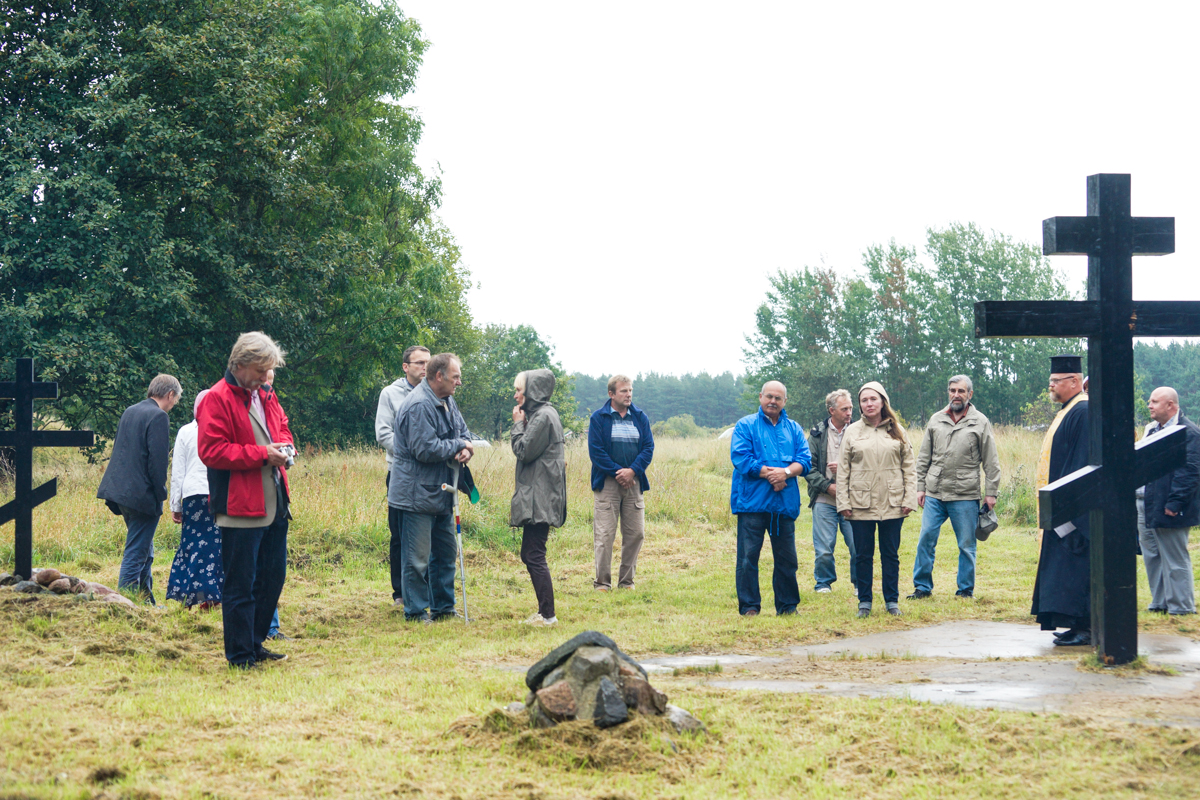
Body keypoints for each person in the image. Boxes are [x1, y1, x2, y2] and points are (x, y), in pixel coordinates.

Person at [197, 332, 294, 668]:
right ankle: (239, 655)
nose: (266, 378)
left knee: (273, 578)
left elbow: (282, 427)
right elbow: (211, 451)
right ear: (239, 365)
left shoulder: (267, 393)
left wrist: (285, 447)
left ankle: (254, 643)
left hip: (275, 500)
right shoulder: (216, 398)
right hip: (240, 506)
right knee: (241, 585)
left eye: (269, 371)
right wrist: (262, 455)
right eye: (260, 371)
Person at [388, 352, 473, 623]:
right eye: (456, 376)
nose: (459, 382)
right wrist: (458, 446)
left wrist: (466, 448)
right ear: (439, 376)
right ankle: (415, 612)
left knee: (446, 553)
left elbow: (464, 434)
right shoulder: (418, 405)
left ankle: (444, 609)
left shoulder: (448, 400)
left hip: (442, 489)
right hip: (415, 493)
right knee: (416, 558)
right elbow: (424, 449)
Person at [909, 375, 1001, 600]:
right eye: (952, 390)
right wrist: (920, 487)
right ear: (948, 393)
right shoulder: (936, 419)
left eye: (961, 391)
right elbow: (923, 457)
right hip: (935, 492)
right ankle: (922, 587)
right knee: (926, 539)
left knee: (966, 545)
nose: (956, 395)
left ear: (970, 394)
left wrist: (991, 493)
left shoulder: (980, 421)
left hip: (965, 494)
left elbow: (991, 461)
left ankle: (965, 590)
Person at [97, 373, 182, 605]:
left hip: (120, 492)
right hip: (142, 495)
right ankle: (124, 601)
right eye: (176, 400)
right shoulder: (158, 416)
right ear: (170, 394)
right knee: (137, 550)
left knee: (145, 548)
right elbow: (158, 462)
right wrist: (161, 493)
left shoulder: (130, 411)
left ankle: (146, 601)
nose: (174, 405)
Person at [729, 381, 811, 616]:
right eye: (769, 397)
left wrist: (785, 473)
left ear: (785, 401)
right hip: (752, 504)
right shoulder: (745, 425)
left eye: (778, 398)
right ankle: (750, 607)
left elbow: (805, 461)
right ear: (760, 397)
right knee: (747, 559)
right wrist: (774, 474)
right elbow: (742, 459)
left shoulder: (794, 428)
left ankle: (787, 607)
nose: (772, 401)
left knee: (787, 559)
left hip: (783, 504)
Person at [837, 381, 916, 618]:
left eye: (873, 399)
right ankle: (865, 602)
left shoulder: (898, 430)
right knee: (862, 555)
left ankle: (892, 601)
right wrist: (843, 502)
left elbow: (909, 468)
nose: (869, 404)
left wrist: (909, 498)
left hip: (893, 504)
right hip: (860, 505)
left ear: (883, 401)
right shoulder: (852, 432)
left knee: (890, 555)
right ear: (860, 404)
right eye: (864, 400)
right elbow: (843, 470)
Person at [1030, 355, 1091, 646]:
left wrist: (1066, 510)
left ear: (1075, 382)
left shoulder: (1083, 411)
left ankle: (1085, 625)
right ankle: (1072, 623)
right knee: (1063, 569)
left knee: (1076, 569)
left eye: (1056, 382)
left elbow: (1078, 464)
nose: (1051, 387)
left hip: (1073, 510)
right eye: (1051, 381)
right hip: (1060, 507)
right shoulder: (1068, 410)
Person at [375, 345, 431, 608]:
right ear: (405, 367)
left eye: (428, 363)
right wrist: (414, 454)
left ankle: (426, 589)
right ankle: (399, 593)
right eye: (419, 363)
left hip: (430, 474)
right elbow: (383, 434)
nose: (425, 367)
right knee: (399, 534)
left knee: (427, 534)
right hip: (399, 472)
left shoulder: (435, 391)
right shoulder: (390, 394)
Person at [511, 369, 568, 626]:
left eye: (519, 390)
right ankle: (545, 612)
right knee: (530, 553)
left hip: (540, 498)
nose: (515, 396)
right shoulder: (545, 414)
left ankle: (548, 616)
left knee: (534, 554)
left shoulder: (543, 416)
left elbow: (523, 450)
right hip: (541, 495)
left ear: (532, 391)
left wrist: (517, 424)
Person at [588, 374, 654, 591]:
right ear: (611, 394)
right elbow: (596, 453)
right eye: (624, 391)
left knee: (636, 534)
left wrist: (633, 471)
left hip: (634, 484)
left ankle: (626, 582)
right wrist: (620, 472)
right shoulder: (599, 418)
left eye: (630, 390)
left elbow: (648, 448)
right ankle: (602, 583)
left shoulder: (640, 417)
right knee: (605, 535)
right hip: (607, 484)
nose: (629, 395)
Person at [1138, 386, 1199, 616]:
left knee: (1174, 556)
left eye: (1154, 402)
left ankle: (1182, 606)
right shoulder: (1152, 430)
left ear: (1170, 405)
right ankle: (1160, 601)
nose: (1149, 405)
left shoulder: (1188, 432)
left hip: (1169, 505)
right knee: (1152, 554)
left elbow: (1190, 472)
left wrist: (1174, 503)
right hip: (1147, 502)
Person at [165, 389, 223, 609]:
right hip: (217, 494)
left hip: (192, 496)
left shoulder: (186, 431)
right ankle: (212, 598)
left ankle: (191, 596)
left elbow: (178, 471)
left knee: (192, 546)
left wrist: (176, 505)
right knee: (215, 546)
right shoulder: (223, 429)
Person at [806, 389, 857, 594]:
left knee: (857, 545)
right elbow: (807, 466)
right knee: (824, 547)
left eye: (851, 408)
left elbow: (870, 463)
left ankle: (859, 583)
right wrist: (828, 486)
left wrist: (846, 469)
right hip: (823, 497)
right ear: (831, 410)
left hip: (853, 498)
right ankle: (823, 583)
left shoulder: (859, 431)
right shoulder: (817, 433)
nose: (849, 413)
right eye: (844, 409)